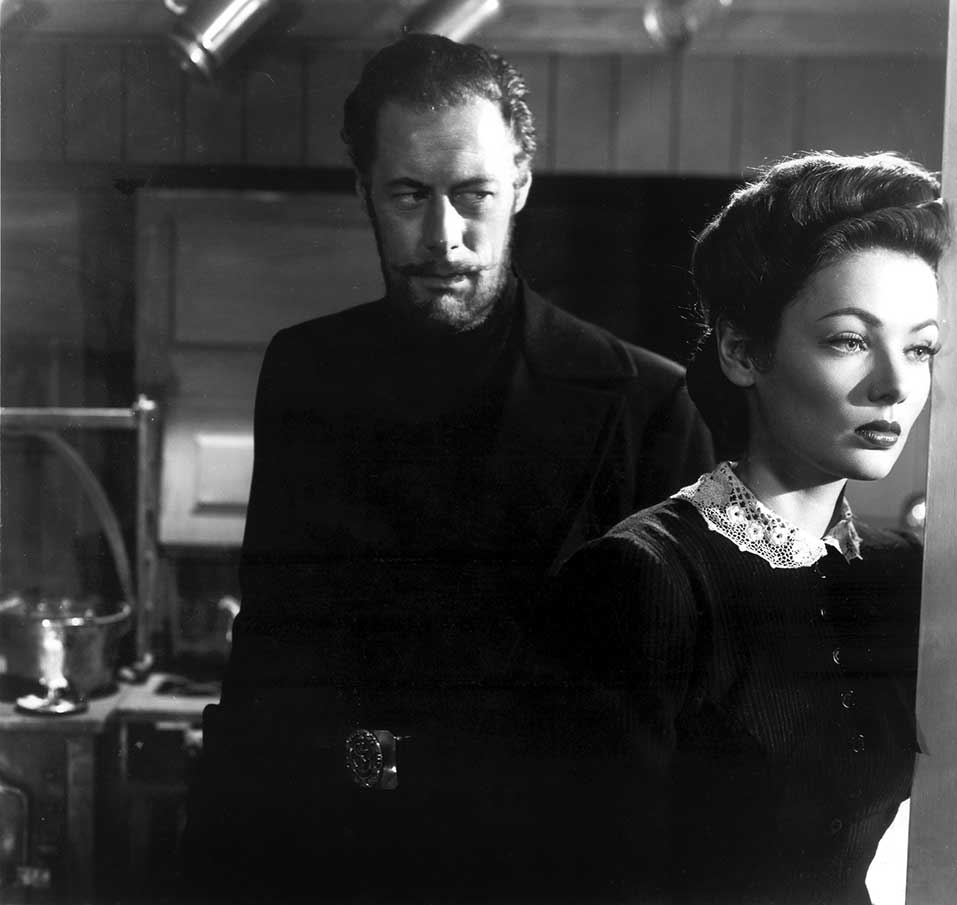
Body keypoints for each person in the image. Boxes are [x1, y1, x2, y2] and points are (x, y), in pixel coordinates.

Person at [180, 34, 711, 903]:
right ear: (363, 191)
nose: (444, 237)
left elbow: (676, 730)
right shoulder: (306, 371)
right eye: (409, 195)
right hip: (335, 866)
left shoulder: (646, 402)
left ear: (521, 186)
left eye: (473, 195)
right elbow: (269, 647)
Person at [541, 151, 950, 905]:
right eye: (849, 340)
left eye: (920, 347)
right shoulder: (644, 579)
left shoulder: (901, 577)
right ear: (741, 350)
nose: (895, 384)